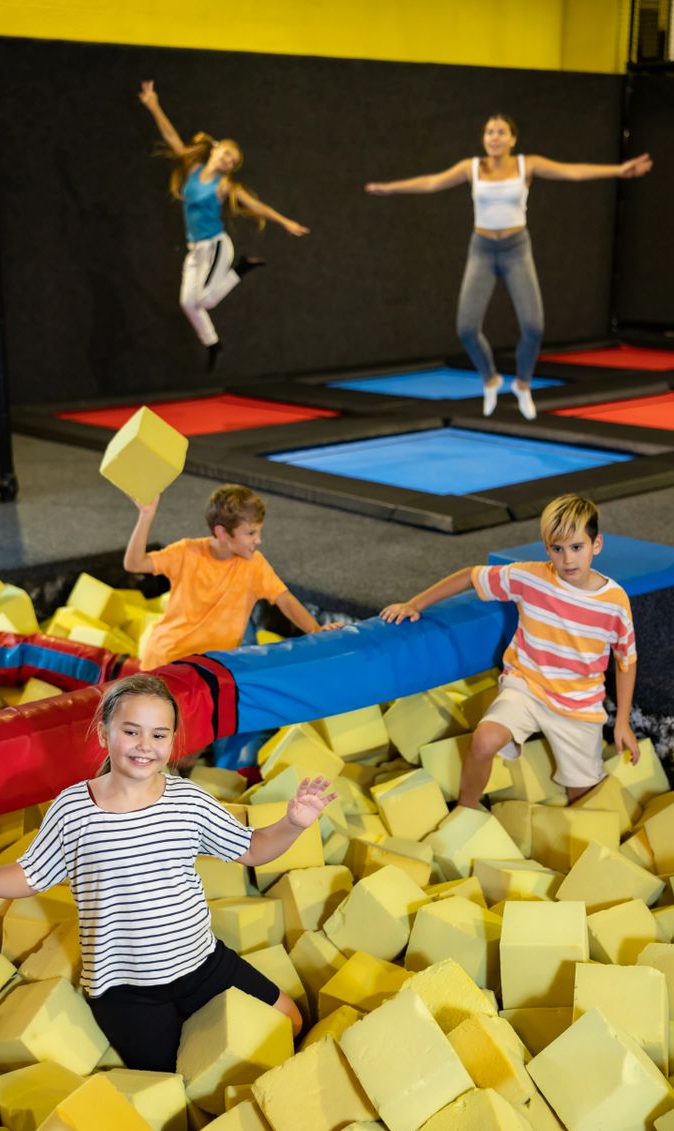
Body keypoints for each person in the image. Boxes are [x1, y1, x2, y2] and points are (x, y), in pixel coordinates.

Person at [0, 673, 335, 1071]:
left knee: (291, 1020)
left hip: (201, 963)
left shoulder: (188, 800)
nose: (144, 745)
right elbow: (30, 877)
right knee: (175, 1077)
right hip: (125, 990)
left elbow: (253, 849)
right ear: (104, 734)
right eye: (131, 731)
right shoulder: (73, 809)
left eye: (159, 735)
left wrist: (293, 823)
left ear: (173, 741)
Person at [365, 115, 653, 419]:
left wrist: (619, 170)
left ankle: (523, 384)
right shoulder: (471, 168)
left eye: (501, 132)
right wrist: (391, 188)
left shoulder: (527, 165)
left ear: (513, 139)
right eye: (489, 132)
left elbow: (573, 172)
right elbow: (432, 182)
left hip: (516, 249)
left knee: (533, 327)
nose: (494, 137)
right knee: (466, 328)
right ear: (484, 139)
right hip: (483, 250)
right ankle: (490, 379)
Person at [380, 494, 639, 809]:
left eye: (576, 547)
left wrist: (622, 720)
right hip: (527, 685)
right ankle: (466, 808)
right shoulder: (530, 577)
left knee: (582, 796)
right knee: (484, 740)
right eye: (557, 549)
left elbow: (626, 661)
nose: (568, 559)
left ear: (596, 544)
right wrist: (414, 604)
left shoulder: (614, 601)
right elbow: (469, 576)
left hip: (579, 704)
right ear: (547, 549)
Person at [138, 80, 310, 370]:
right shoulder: (192, 170)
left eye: (234, 162)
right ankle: (213, 344)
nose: (230, 161)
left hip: (216, 245)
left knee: (206, 301)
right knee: (187, 303)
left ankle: (241, 267)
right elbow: (171, 138)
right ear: (215, 151)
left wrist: (284, 221)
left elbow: (256, 205)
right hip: (196, 250)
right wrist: (154, 105)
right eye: (228, 154)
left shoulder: (225, 185)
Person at [124, 482, 342, 670]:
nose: (259, 540)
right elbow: (134, 564)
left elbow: (285, 599)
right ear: (222, 533)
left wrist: (316, 630)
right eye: (250, 533)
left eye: (258, 531)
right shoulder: (186, 552)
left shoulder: (254, 564)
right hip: (169, 660)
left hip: (212, 665)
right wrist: (146, 516)